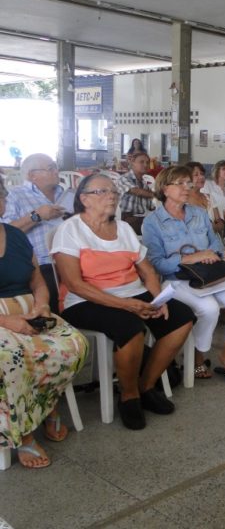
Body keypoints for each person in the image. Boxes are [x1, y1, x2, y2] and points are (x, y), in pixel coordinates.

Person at [51, 174, 195, 430]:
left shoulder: (124, 229)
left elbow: (147, 272)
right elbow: (74, 284)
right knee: (130, 327)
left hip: (132, 293)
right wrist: (127, 305)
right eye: (102, 191)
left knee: (181, 317)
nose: (112, 196)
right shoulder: (70, 230)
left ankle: (146, 385)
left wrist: (158, 298)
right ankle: (129, 396)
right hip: (84, 300)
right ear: (84, 199)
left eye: (114, 191)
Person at [0, 176, 88, 469]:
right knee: (12, 358)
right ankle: (24, 434)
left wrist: (42, 304)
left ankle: (46, 404)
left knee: (73, 344)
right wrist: (8, 321)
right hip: (2, 319)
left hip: (29, 309)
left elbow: (37, 279)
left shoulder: (15, 235)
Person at [142, 166, 225, 384]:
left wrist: (212, 254)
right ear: (165, 189)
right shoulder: (153, 222)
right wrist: (189, 258)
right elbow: (157, 264)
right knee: (209, 308)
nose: (187, 188)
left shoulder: (199, 214)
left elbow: (216, 244)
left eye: (188, 183)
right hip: (177, 280)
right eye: (180, 184)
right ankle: (198, 356)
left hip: (209, 275)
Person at [2, 153, 75, 313]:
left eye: (55, 167)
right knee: (54, 293)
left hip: (73, 255)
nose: (56, 171)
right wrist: (36, 216)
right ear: (32, 175)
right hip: (43, 262)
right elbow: (5, 232)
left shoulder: (62, 192)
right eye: (50, 168)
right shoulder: (16, 196)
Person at [117, 152, 155, 235]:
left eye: (147, 162)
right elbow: (136, 191)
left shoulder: (144, 182)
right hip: (127, 218)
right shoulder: (124, 178)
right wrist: (158, 195)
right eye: (141, 162)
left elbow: (150, 206)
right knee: (157, 228)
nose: (145, 165)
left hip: (142, 216)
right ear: (132, 163)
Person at [186, 161, 225, 236]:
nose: (201, 177)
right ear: (187, 179)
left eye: (202, 174)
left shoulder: (209, 197)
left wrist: (215, 226)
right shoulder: (184, 200)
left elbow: (220, 222)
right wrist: (210, 227)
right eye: (196, 175)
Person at [202, 160, 225, 233]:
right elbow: (207, 204)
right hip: (214, 220)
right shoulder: (208, 184)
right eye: (224, 169)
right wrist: (222, 213)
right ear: (217, 171)